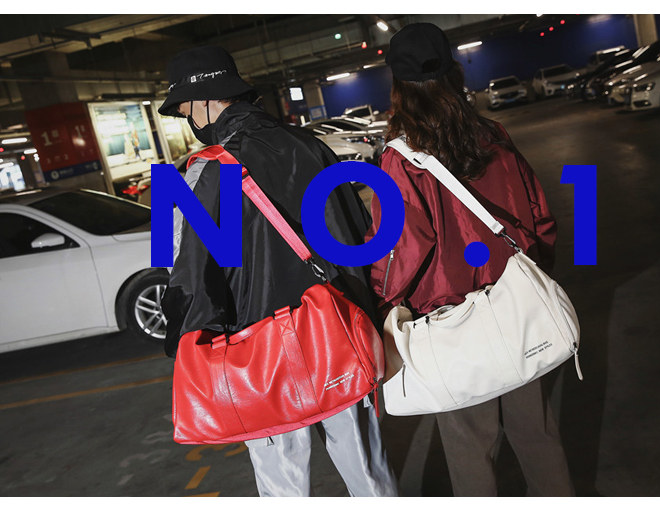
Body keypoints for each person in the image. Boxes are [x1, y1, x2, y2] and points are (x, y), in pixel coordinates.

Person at [157, 45, 397, 497]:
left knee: (281, 483)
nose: (187, 119)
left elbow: (187, 273)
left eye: (185, 108)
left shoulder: (204, 173)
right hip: (335, 331)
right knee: (368, 467)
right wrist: (367, 313)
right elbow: (355, 234)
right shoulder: (310, 145)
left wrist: (184, 339)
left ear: (205, 100)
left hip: (257, 352)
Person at [368, 23, 575, 496]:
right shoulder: (492, 134)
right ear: (453, 72)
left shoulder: (401, 159)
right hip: (516, 305)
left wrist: (384, 299)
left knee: (469, 447)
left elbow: (402, 248)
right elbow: (538, 212)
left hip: (451, 323)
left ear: (399, 85)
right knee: (537, 432)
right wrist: (536, 270)